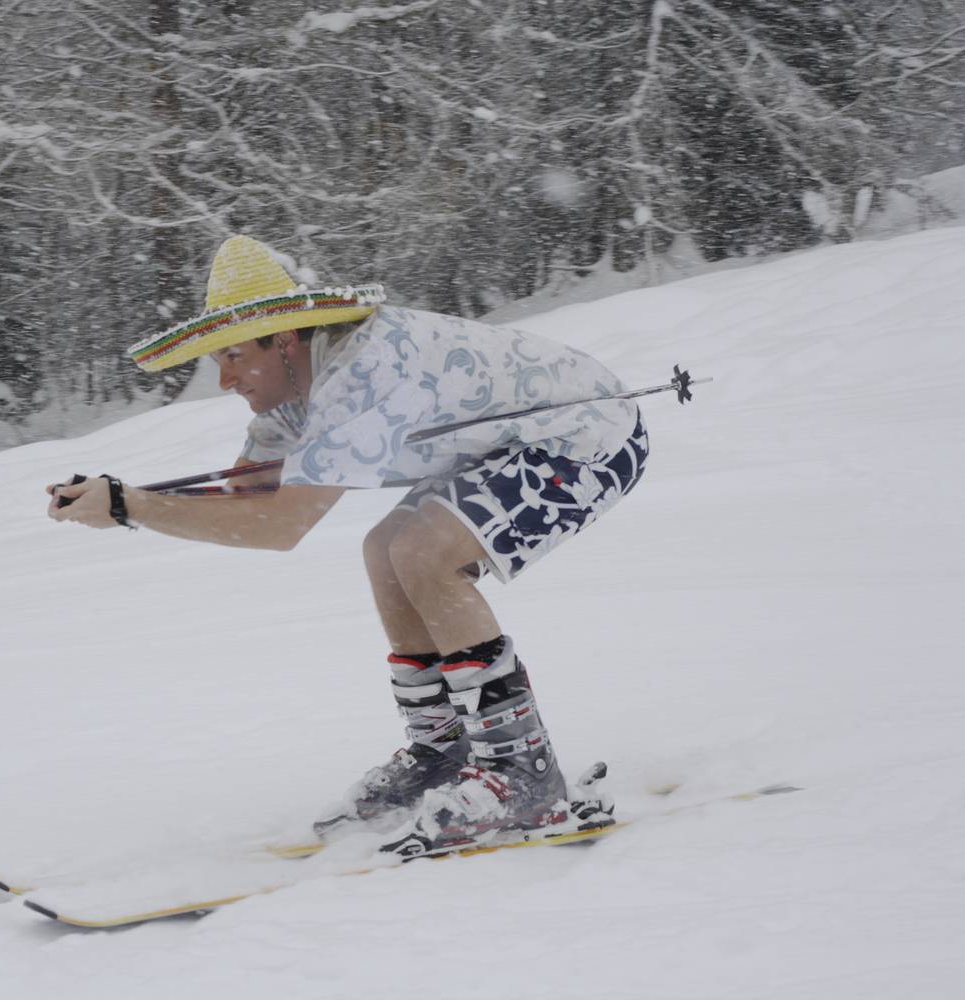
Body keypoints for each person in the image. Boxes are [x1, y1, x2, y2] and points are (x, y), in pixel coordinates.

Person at [47, 236, 647, 855]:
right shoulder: (292, 398)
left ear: (283, 340)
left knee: (421, 551)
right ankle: (444, 751)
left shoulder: (364, 371)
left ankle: (522, 773)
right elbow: (243, 502)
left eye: (232, 357)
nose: (223, 380)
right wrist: (121, 497)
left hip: (589, 438)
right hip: (518, 446)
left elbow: (282, 526)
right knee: (384, 549)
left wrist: (130, 507)